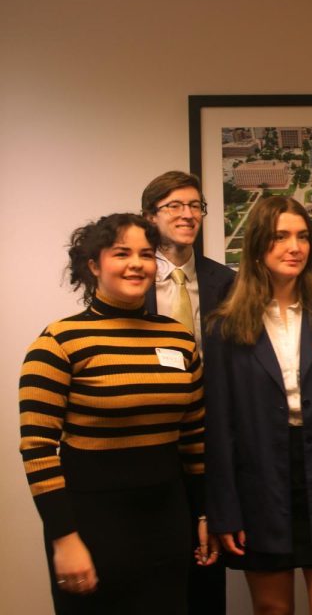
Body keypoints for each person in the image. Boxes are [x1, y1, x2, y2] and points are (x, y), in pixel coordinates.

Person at [19, 213, 216, 614]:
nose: (136, 264)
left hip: (166, 517)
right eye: (121, 253)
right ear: (94, 264)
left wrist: (203, 513)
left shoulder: (177, 338)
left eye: (146, 254)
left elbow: (195, 436)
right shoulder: (58, 341)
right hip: (91, 523)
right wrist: (64, 538)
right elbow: (38, 450)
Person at [203, 195, 312, 615]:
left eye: (302, 237)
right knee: (272, 611)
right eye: (280, 236)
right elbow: (219, 427)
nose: (293, 247)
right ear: (259, 244)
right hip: (261, 487)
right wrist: (224, 511)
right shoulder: (225, 325)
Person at [141, 170, 234, 615]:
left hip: (211, 443)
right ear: (150, 216)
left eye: (195, 205)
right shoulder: (130, 282)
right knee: (151, 573)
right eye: (174, 206)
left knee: (205, 571)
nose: (187, 214)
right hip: (148, 443)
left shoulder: (227, 283)